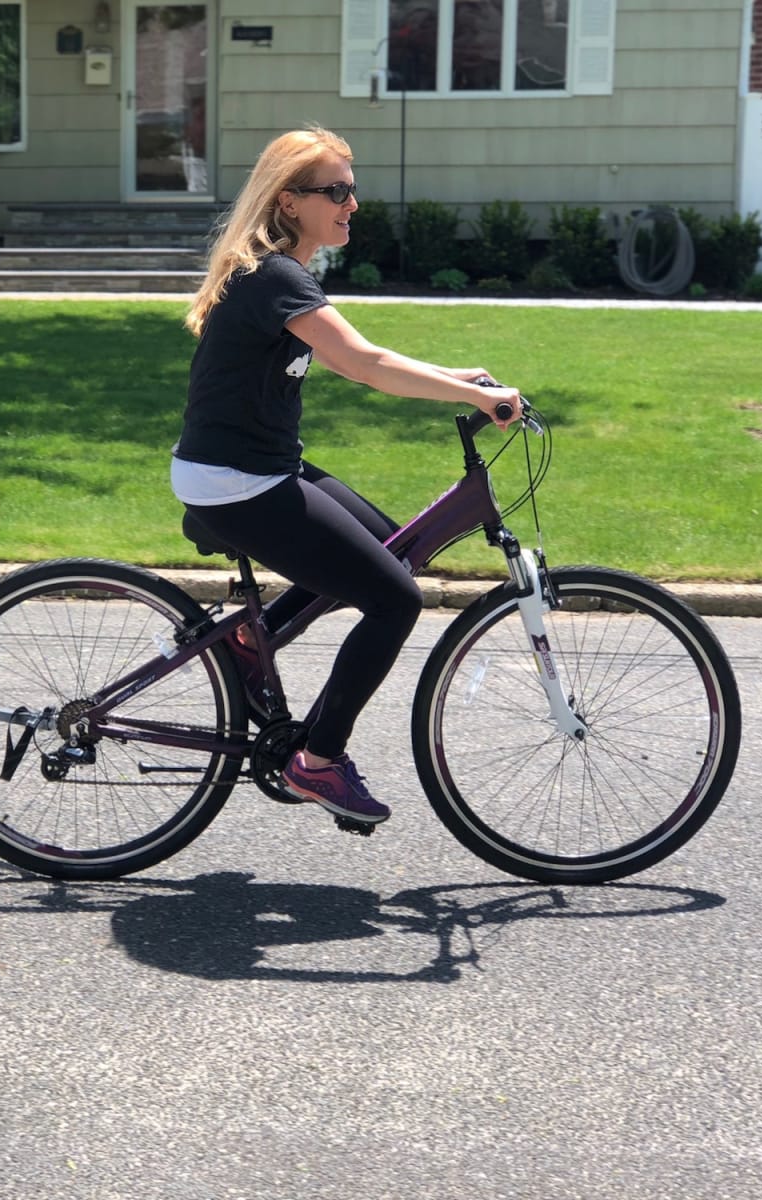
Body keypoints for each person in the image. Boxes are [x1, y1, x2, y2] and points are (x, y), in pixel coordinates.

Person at [171, 126, 520, 827]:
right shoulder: (273, 276)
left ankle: (250, 637)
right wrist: (476, 398)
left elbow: (364, 355)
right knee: (394, 599)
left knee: (390, 551)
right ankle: (318, 762)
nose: (352, 203)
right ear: (290, 201)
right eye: (337, 190)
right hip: (235, 482)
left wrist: (461, 379)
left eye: (351, 189)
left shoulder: (280, 272)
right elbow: (366, 366)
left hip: (259, 467)